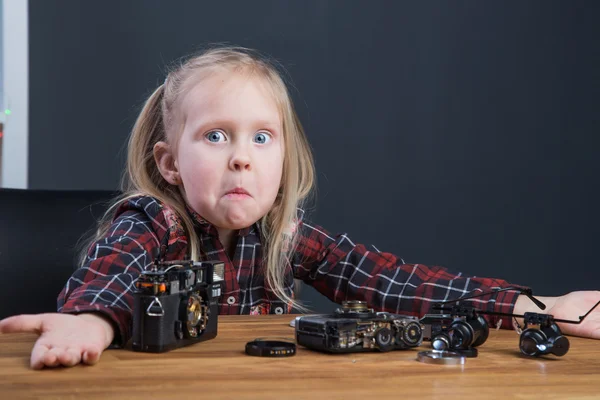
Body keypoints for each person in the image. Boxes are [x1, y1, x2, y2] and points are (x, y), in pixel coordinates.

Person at [0, 47, 598, 370]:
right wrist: (92, 321)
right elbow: (111, 271)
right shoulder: (152, 220)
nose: (242, 158)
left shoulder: (283, 235)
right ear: (169, 164)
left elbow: (391, 282)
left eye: (262, 137)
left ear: (282, 158)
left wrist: (536, 307)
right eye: (216, 136)